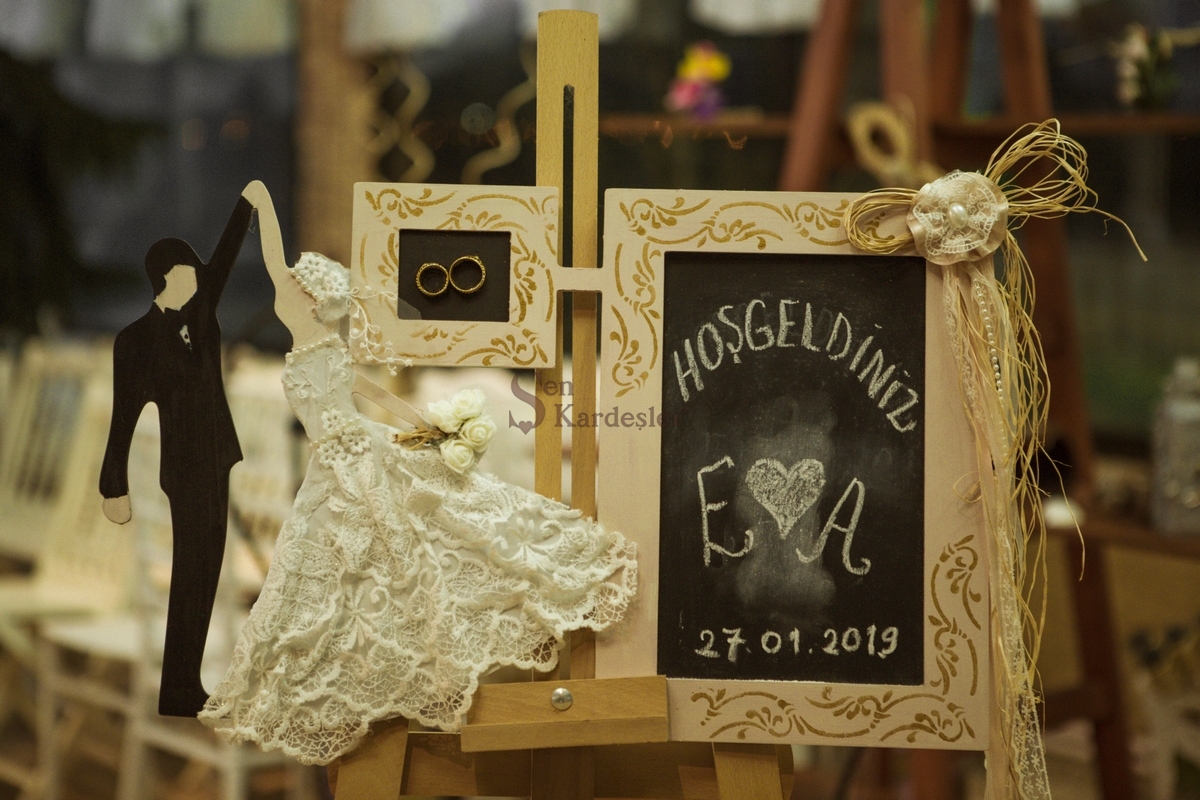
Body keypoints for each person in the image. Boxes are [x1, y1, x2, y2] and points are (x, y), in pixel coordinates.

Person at [198, 181, 636, 764]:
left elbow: (372, 394)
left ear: (319, 304)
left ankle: (436, 643)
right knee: (350, 568)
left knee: (423, 536)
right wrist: (256, 203)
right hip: (336, 465)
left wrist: (426, 429)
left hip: (360, 452)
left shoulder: (326, 349)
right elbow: (275, 260)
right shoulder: (305, 336)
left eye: (310, 296)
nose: (300, 299)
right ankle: (384, 663)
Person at [100, 194, 253, 716]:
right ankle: (181, 684)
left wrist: (246, 206)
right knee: (191, 572)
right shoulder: (135, 341)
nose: (200, 279)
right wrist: (113, 486)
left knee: (205, 572)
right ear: (166, 278)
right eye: (190, 272)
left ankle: (185, 682)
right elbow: (123, 420)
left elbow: (224, 258)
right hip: (186, 469)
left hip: (219, 459)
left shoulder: (202, 313)